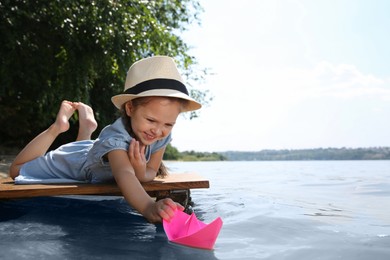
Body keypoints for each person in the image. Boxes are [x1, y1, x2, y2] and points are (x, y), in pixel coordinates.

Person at [9, 56, 202, 223]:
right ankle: (58, 127)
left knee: (89, 148)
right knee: (16, 171)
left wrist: (141, 170)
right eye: (151, 120)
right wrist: (148, 207)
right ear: (130, 109)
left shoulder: (161, 136)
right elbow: (124, 174)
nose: (158, 130)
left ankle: (87, 129)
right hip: (77, 163)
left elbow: (149, 172)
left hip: (94, 150)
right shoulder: (116, 140)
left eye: (168, 124)